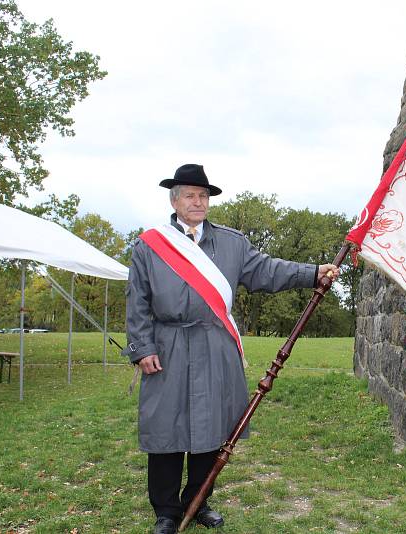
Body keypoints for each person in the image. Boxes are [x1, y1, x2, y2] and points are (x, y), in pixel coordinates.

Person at [124, 163, 339, 534]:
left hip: (215, 344)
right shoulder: (149, 246)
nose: (198, 201)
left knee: (212, 430)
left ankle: (199, 500)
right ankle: (166, 512)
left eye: (203, 196)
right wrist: (142, 348)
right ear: (174, 200)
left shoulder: (232, 243)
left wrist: (310, 272)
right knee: (166, 432)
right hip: (168, 345)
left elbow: (268, 271)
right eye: (190, 195)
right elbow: (137, 301)